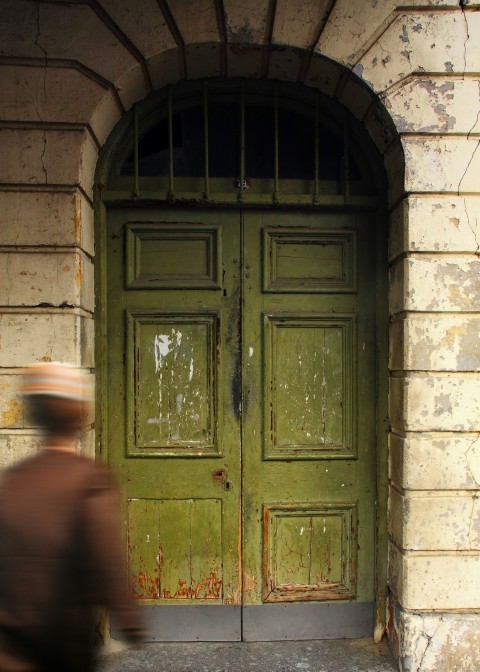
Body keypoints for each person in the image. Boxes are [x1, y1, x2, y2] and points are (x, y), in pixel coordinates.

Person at [0, 362, 144, 672]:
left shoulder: (12, 479)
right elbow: (105, 558)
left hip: (10, 640)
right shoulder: (87, 478)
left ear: (34, 415)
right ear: (79, 417)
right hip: (61, 640)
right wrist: (129, 619)